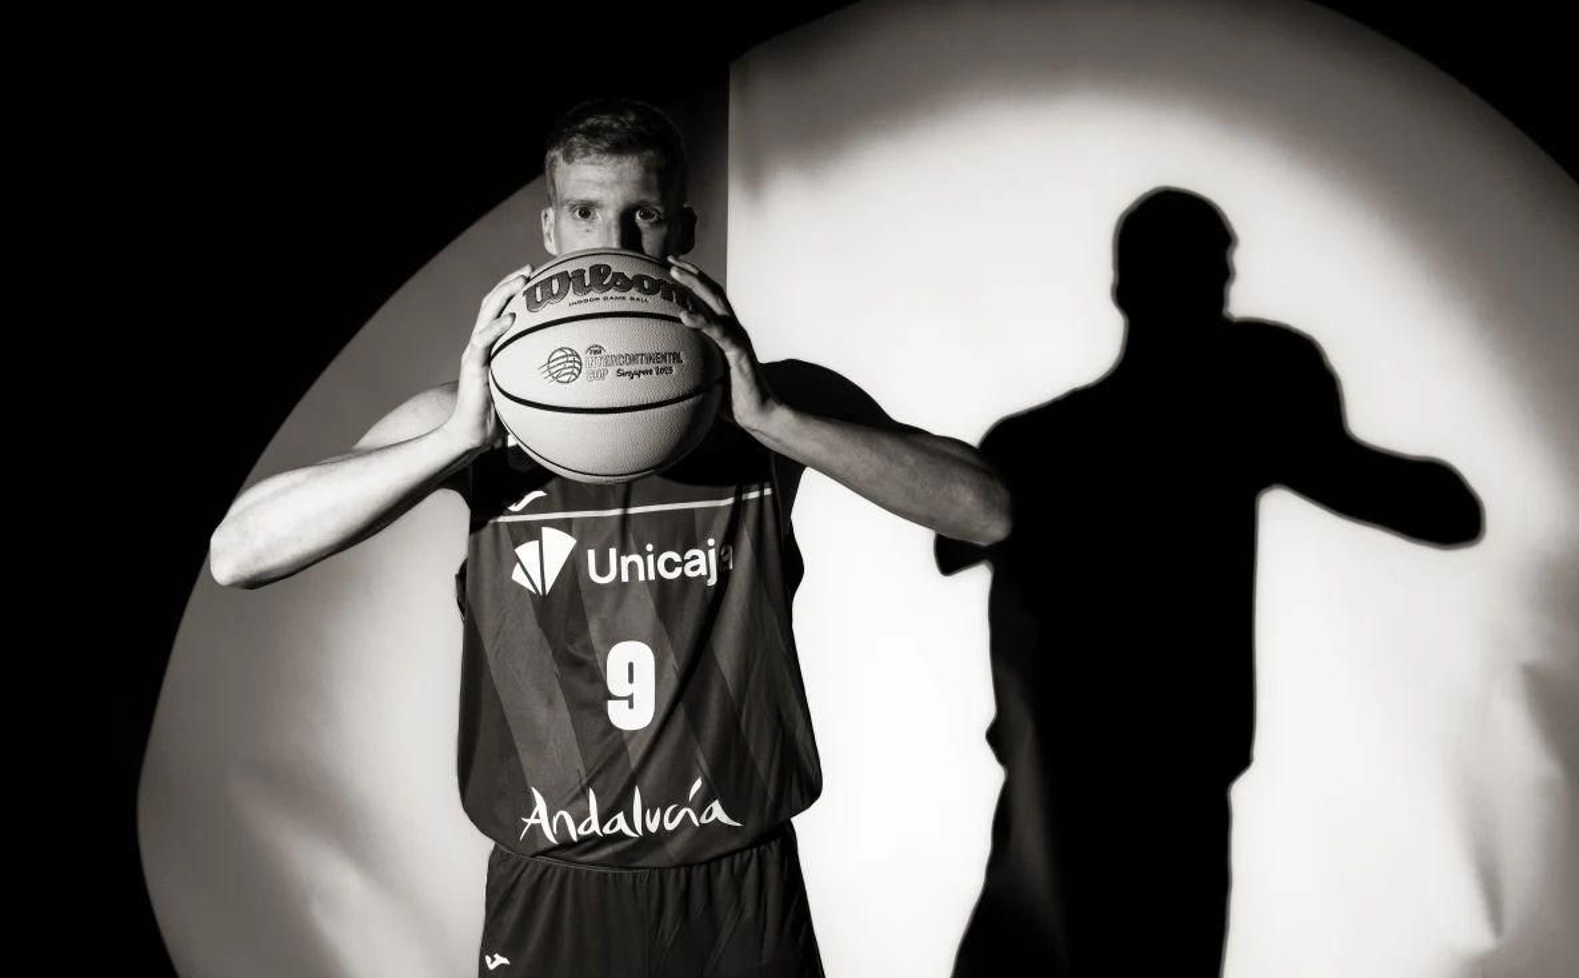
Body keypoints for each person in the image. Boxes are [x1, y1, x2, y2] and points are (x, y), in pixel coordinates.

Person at [210, 98, 1011, 977]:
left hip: (737, 886)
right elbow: (239, 551)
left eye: (646, 214)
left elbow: (985, 509)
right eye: (587, 213)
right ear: (550, 230)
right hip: (554, 885)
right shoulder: (473, 419)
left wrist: (775, 417)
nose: (615, 242)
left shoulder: (769, 404)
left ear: (685, 230)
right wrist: (450, 443)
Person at [934, 187, 1483, 977]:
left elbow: (1447, 511)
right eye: (1210, 276)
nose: (1218, 298)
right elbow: (1441, 507)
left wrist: (1295, 427)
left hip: (1135, 811)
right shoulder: (1195, 421)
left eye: (1217, 278)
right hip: (1095, 810)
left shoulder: (1052, 440)